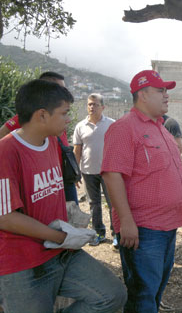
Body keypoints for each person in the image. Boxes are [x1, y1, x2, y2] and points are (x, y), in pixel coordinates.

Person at [0, 79, 127, 312]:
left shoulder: (52, 142)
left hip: (60, 253)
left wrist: (68, 232)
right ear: (42, 115)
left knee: (111, 295)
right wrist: (61, 237)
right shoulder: (6, 152)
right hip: (23, 263)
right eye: (64, 113)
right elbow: (5, 217)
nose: (69, 119)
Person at [101, 70, 182, 312]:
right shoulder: (124, 128)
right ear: (142, 94)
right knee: (142, 294)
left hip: (167, 226)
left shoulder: (161, 128)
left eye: (166, 90)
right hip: (144, 229)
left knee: (155, 289)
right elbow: (112, 174)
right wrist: (126, 222)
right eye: (160, 90)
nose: (166, 95)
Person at [0, 71, 79, 206]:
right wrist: (50, 229)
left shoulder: (51, 139)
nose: (68, 120)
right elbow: (7, 217)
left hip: (58, 177)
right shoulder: (9, 150)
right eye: (60, 88)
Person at [73, 93, 116, 247]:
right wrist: (75, 172)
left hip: (108, 171)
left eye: (95, 104)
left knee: (113, 203)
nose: (91, 107)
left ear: (103, 107)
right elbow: (77, 151)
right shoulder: (80, 126)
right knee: (94, 203)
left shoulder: (112, 124)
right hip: (88, 171)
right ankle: (98, 233)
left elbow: (118, 148)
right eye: (89, 104)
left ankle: (116, 234)